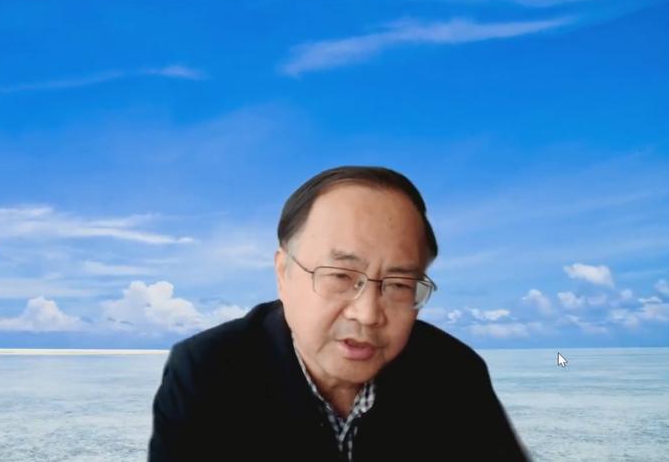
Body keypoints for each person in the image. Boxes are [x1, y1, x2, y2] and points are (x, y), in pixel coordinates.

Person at [149, 166, 528, 462]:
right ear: (283, 273)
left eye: (399, 284)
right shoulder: (208, 370)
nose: (368, 314)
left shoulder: (454, 372)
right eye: (341, 276)